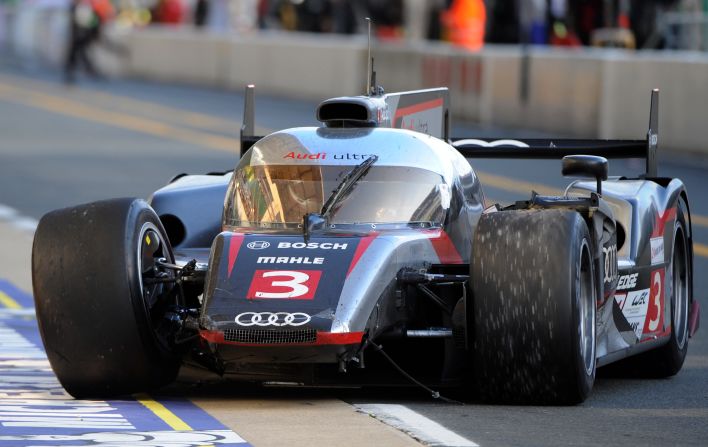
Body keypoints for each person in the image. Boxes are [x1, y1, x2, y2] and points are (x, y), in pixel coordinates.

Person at [64, 0, 114, 84]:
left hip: (83, 31)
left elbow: (94, 20)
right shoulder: (79, 7)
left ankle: (86, 69)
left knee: (79, 51)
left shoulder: (90, 7)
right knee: (77, 51)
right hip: (79, 31)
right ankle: (85, 69)